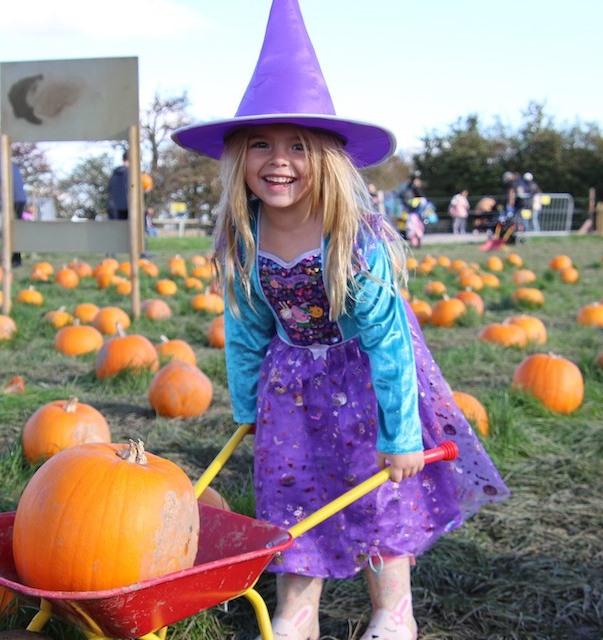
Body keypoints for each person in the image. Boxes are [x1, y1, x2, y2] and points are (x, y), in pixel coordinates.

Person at [172, 2, 509, 639]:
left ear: (324, 156)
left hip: (365, 381)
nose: (280, 161)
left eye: (298, 145)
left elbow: (386, 338)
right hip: (290, 386)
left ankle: (392, 613)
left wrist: (401, 431)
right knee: (293, 498)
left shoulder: (356, 240)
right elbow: (245, 327)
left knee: (377, 495)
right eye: (262, 146)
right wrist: (248, 407)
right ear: (238, 158)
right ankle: (297, 615)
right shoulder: (242, 240)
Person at [0, 151, 27, 266]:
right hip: (21, 198)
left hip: (10, 200)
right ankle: (17, 256)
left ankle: (11, 257)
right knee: (17, 228)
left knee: (7, 229)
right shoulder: (13, 166)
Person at [399, 173, 426, 246]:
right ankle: (416, 243)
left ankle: (416, 243)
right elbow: (420, 197)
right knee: (415, 228)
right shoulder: (413, 189)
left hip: (413, 212)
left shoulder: (409, 188)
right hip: (413, 212)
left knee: (414, 228)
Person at [107, 151, 129, 220]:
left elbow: (110, 188)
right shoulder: (131, 173)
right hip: (127, 209)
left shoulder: (115, 172)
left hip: (114, 208)